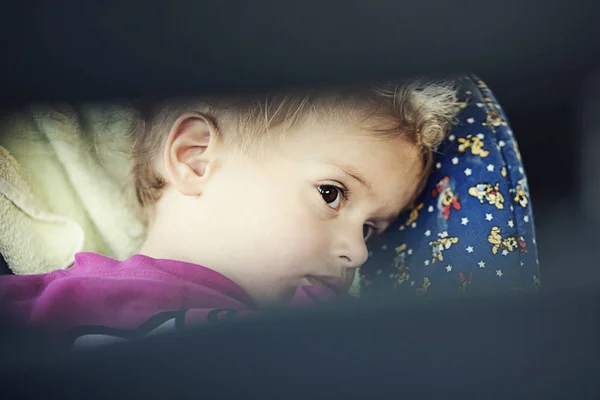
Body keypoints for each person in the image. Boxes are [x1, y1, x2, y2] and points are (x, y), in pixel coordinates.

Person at [0, 80, 459, 341]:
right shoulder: (50, 302)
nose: (358, 254)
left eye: (372, 229)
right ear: (196, 158)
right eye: (331, 194)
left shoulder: (319, 333)